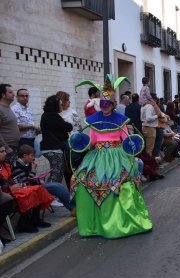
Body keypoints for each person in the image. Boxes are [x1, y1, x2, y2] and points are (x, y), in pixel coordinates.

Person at [70, 76, 152, 239]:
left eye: (107, 104)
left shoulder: (120, 121)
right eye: (102, 103)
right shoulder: (93, 121)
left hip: (117, 156)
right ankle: (94, 225)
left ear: (113, 105)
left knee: (120, 183)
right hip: (98, 156)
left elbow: (126, 140)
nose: (104, 106)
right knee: (83, 181)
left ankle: (119, 222)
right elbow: (92, 141)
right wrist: (80, 140)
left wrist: (132, 146)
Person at [0, 145, 53, 233]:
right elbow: (25, 180)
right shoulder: (16, 165)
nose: (5, 153)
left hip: (13, 187)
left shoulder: (5, 164)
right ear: (24, 156)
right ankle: (23, 223)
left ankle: (35, 219)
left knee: (38, 189)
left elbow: (11, 180)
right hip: (6, 191)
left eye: (4, 151)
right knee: (29, 192)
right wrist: (32, 171)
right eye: (2, 152)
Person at [40, 95, 73, 184]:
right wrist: (68, 124)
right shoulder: (52, 116)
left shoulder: (47, 115)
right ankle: (51, 193)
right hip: (53, 148)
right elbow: (68, 127)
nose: (61, 106)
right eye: (60, 104)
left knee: (56, 172)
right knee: (57, 173)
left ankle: (50, 192)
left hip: (50, 148)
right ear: (55, 105)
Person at [0, 83, 21, 165]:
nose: (14, 94)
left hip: (13, 147)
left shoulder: (8, 108)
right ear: (3, 95)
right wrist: (6, 147)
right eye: (10, 92)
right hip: (6, 149)